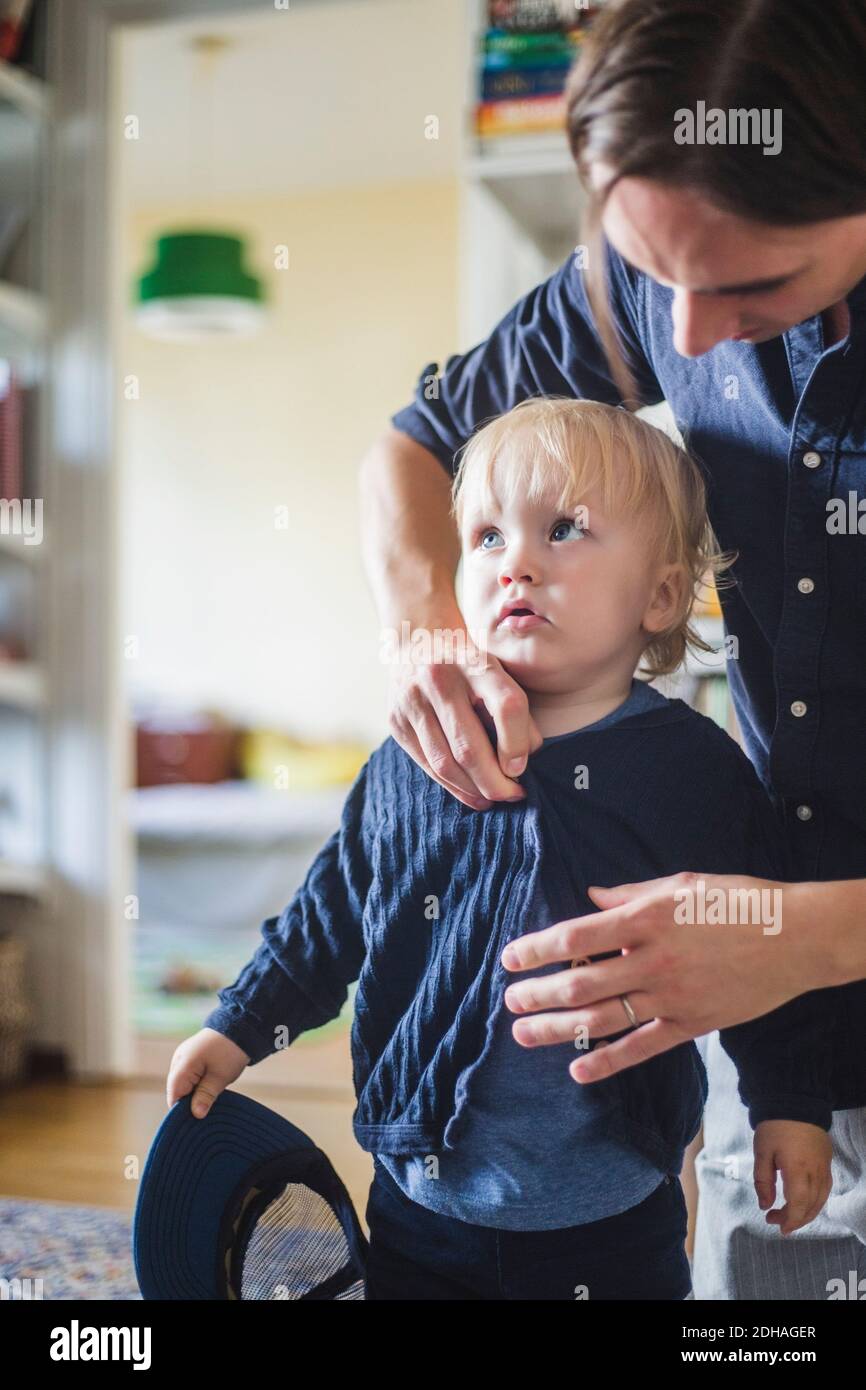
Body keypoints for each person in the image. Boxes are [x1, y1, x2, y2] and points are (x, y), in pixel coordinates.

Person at [360, 0, 866, 1298]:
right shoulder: (657, 273)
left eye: (752, 285)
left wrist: (817, 935)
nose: (680, 346)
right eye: (652, 275)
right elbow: (413, 444)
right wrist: (427, 632)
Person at [168, 398, 835, 1300]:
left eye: (564, 530)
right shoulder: (416, 758)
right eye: (485, 538)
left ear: (663, 594)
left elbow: (767, 943)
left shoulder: (694, 772)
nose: (515, 561)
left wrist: (787, 1106)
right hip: (423, 1200)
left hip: (615, 1211)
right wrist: (238, 1025)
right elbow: (328, 921)